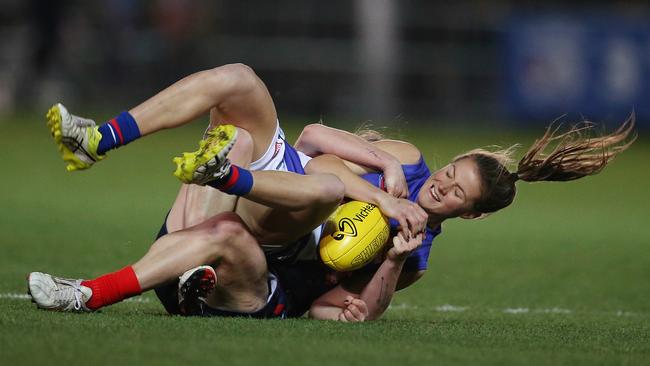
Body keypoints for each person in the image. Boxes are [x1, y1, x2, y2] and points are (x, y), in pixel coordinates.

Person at [28, 64, 636, 321]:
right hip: (250, 209)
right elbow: (315, 137)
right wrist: (382, 177)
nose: (443, 185)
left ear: (469, 216)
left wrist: (392, 261)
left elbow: (340, 310)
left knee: (306, 190)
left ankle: (85, 293)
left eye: (456, 195)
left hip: (251, 264)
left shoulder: (414, 251)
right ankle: (99, 138)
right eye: (452, 172)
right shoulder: (405, 164)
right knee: (239, 84)